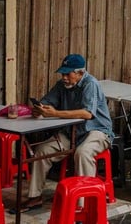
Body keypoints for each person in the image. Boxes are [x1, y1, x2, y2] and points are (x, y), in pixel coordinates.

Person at [18, 54, 113, 212]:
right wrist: (39, 109)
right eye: (62, 74)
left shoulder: (90, 84)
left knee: (82, 153)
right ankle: (35, 197)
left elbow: (87, 114)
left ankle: (85, 204)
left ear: (80, 73)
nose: (64, 77)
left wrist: (54, 113)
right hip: (72, 132)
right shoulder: (62, 85)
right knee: (42, 151)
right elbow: (47, 101)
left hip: (97, 130)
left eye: (67, 74)